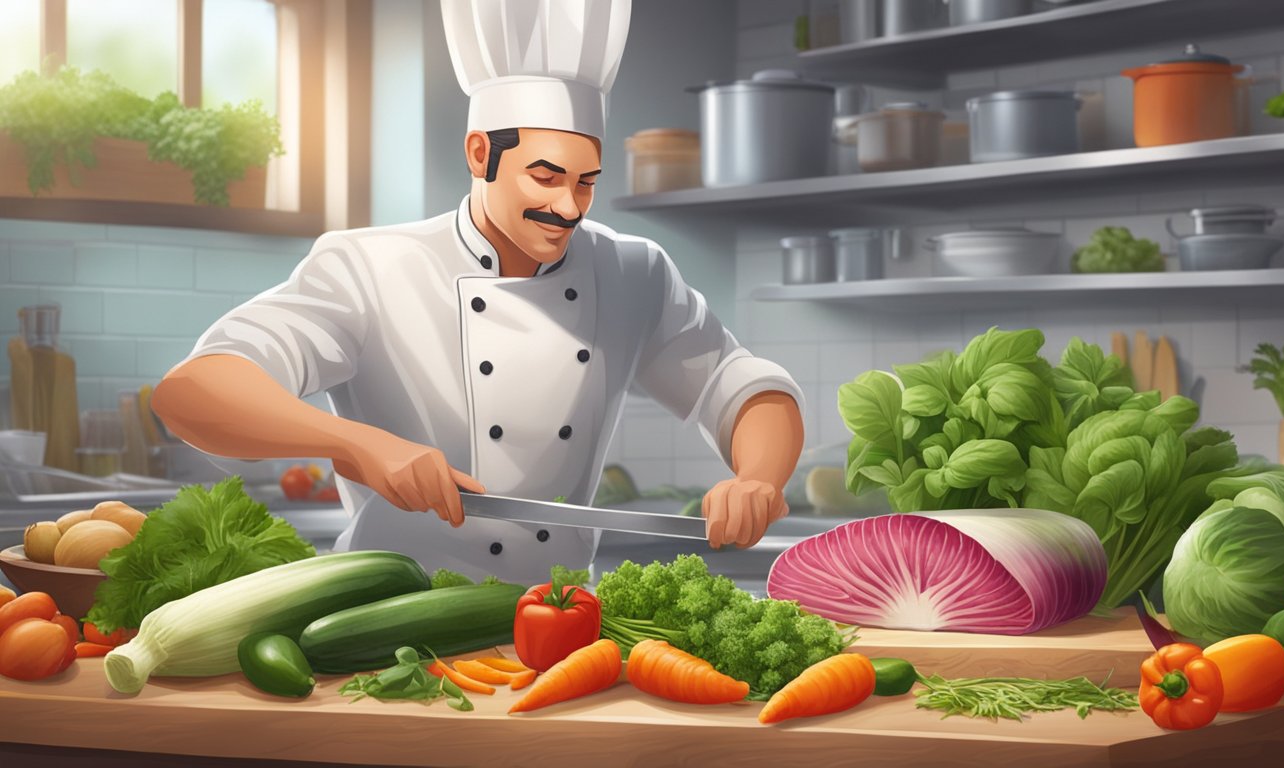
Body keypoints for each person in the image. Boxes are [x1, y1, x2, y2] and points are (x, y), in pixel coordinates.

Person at [151, 0, 805, 585]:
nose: (568, 206)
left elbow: (743, 387)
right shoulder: (370, 266)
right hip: (390, 618)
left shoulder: (633, 271)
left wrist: (758, 479)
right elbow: (194, 391)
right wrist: (356, 444)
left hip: (561, 624)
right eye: (544, 177)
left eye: (585, 181)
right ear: (477, 153)